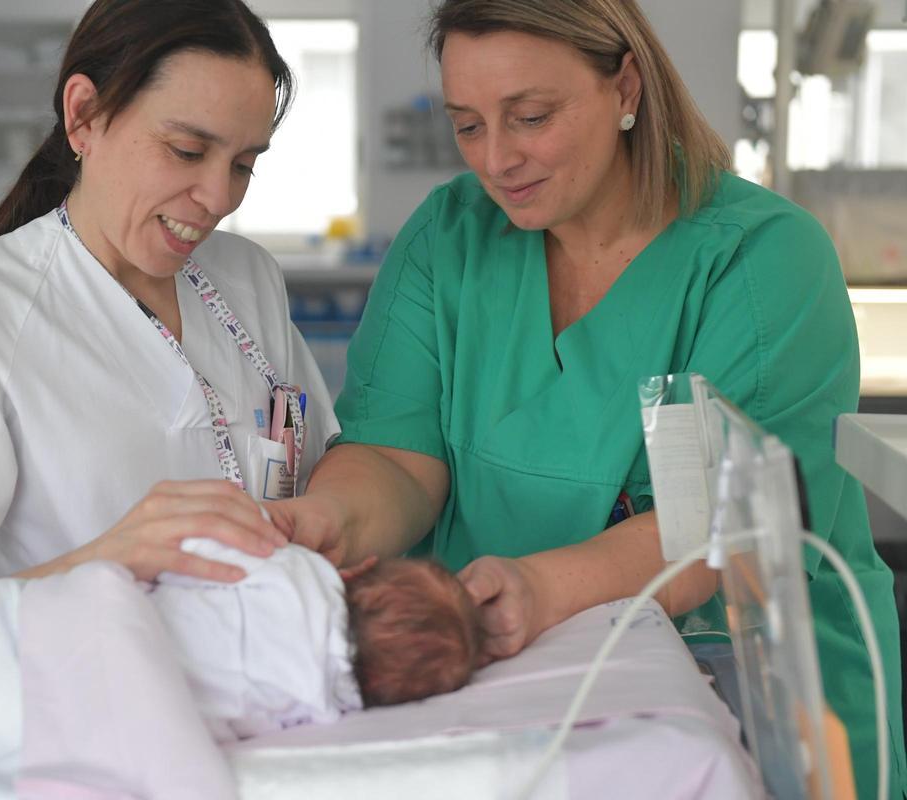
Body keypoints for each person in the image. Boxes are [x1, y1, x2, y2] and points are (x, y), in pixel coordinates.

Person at [266, 1, 905, 794]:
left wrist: (538, 590)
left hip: (758, 693)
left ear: (625, 84)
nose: (496, 160)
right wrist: (324, 519)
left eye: (530, 117)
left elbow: (715, 529)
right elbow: (397, 456)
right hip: (497, 692)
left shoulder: (761, 260)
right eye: (467, 126)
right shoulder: (449, 239)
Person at [0, 0, 335, 592]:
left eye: (242, 164)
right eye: (187, 151)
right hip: (78, 679)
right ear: (84, 116)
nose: (218, 197)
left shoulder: (249, 279)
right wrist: (113, 557)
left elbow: (321, 475)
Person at [150, 539, 484, 740]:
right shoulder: (314, 708)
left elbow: (197, 545)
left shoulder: (297, 570)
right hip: (159, 706)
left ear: (360, 569)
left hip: (140, 620)